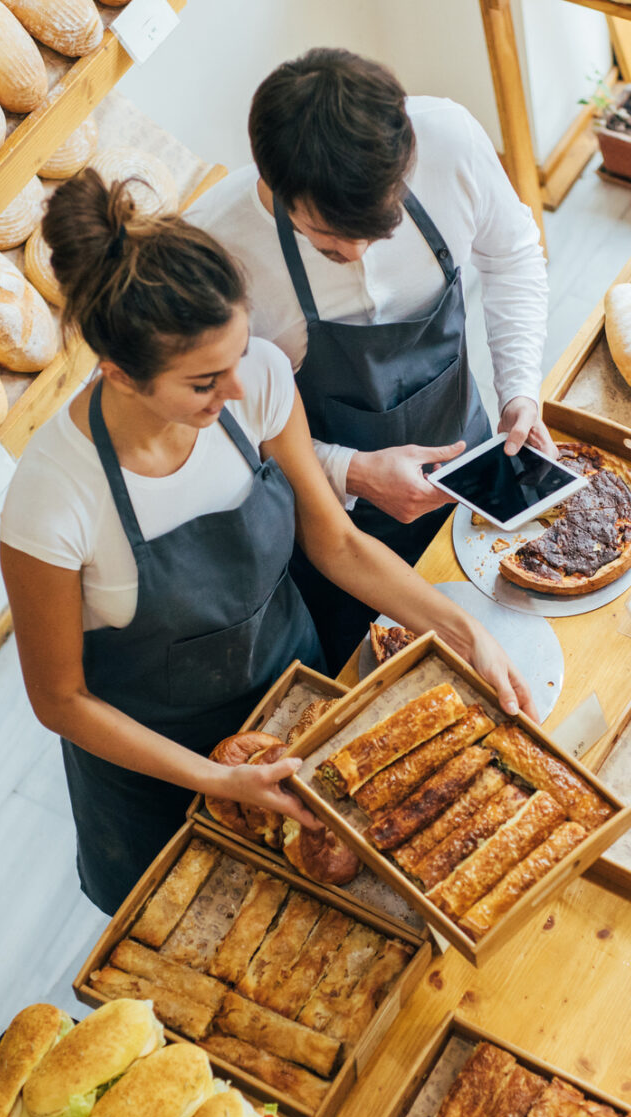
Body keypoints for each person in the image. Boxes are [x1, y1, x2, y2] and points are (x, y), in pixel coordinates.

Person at [0, 171, 532, 914]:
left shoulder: (259, 381)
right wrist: (216, 780)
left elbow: (337, 545)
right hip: (159, 777)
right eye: (204, 383)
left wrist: (463, 632)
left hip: (295, 710)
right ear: (117, 373)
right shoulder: (53, 498)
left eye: (240, 355)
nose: (239, 393)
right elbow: (61, 699)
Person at [187, 48, 552, 668]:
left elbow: (512, 254)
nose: (356, 253)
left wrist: (519, 386)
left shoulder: (449, 141)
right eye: (329, 239)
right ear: (275, 185)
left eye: (375, 232)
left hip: (470, 473)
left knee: (508, 637)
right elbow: (219, 433)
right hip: (334, 529)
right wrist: (350, 471)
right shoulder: (215, 254)